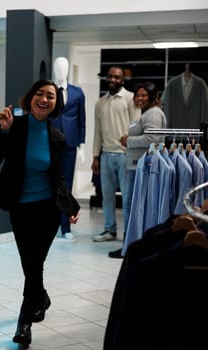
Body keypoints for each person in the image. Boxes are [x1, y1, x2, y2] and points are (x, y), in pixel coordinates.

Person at [0, 80, 80, 346]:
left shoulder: (57, 137)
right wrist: (3, 132)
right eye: (39, 93)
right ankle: (41, 297)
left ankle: (24, 322)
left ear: (55, 103)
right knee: (30, 262)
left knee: (35, 262)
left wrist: (70, 207)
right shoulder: (15, 126)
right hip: (21, 206)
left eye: (50, 96)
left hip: (49, 209)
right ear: (30, 98)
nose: (44, 99)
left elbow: (59, 178)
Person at [108, 81, 167, 258]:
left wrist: (129, 141)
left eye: (143, 95)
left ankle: (131, 247)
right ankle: (132, 245)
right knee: (132, 207)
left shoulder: (153, 114)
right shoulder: (147, 113)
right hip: (136, 166)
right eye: (137, 95)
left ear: (152, 96)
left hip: (142, 167)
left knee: (133, 208)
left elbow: (153, 139)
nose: (139, 98)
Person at [92, 66, 139, 243]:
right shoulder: (100, 103)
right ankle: (109, 230)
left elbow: (136, 126)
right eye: (110, 77)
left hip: (125, 155)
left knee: (127, 198)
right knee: (107, 197)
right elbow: (97, 131)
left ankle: (129, 234)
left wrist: (134, 153)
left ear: (123, 80)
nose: (113, 80)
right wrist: (95, 156)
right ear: (106, 78)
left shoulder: (130, 99)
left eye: (117, 77)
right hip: (106, 156)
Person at [51, 56, 86, 241]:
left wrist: (81, 146)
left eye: (64, 67)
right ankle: (49, 225)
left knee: (67, 184)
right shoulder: (47, 91)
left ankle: (65, 227)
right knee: (49, 182)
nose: (61, 70)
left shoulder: (77, 93)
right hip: (51, 142)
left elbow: (82, 120)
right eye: (58, 67)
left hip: (70, 143)